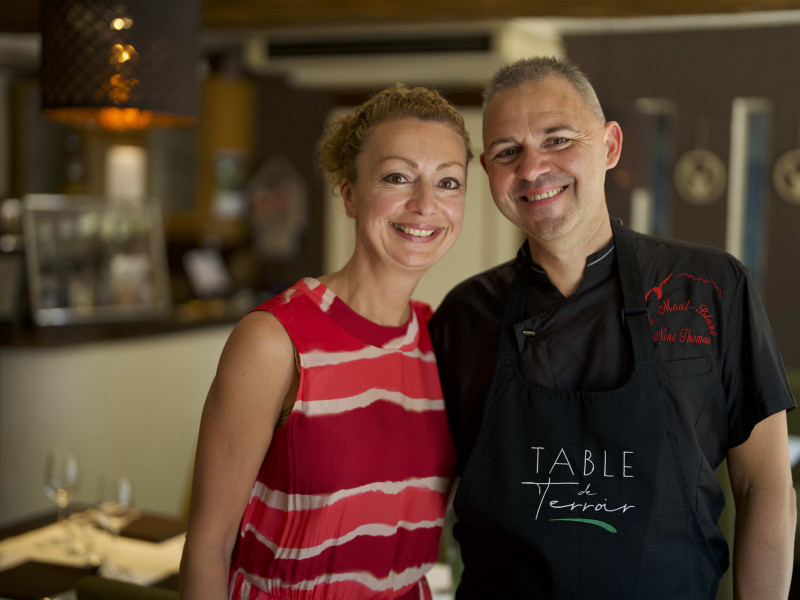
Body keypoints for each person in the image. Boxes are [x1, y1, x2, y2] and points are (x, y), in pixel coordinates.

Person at [429, 56, 796, 599]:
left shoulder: (712, 288)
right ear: (489, 172)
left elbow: (765, 485)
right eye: (509, 152)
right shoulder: (464, 314)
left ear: (610, 145)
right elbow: (425, 493)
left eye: (557, 139)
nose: (532, 169)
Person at [180, 83, 473, 600]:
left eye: (448, 182)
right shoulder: (276, 340)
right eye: (397, 177)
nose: (426, 204)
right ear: (349, 194)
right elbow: (209, 544)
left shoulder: (441, 339)